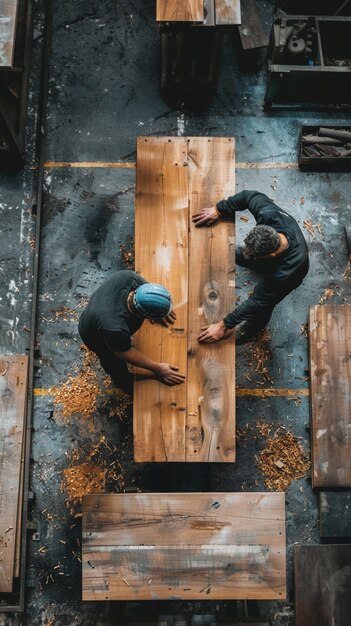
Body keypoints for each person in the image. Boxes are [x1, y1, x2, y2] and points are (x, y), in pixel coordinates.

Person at [192, 189, 309, 343]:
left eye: (254, 255)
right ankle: (256, 262)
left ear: (271, 255)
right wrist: (219, 209)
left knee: (264, 306)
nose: (248, 255)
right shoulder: (269, 214)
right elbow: (249, 196)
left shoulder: (291, 269)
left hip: (287, 275)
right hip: (271, 260)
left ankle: (253, 328)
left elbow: (257, 301)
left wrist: (224, 325)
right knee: (238, 253)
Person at [78, 270, 186, 394]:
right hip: (93, 334)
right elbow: (124, 353)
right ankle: (123, 384)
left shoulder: (129, 278)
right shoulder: (115, 328)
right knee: (114, 364)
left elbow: (150, 292)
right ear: (143, 314)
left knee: (119, 342)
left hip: (100, 312)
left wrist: (158, 306)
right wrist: (158, 368)